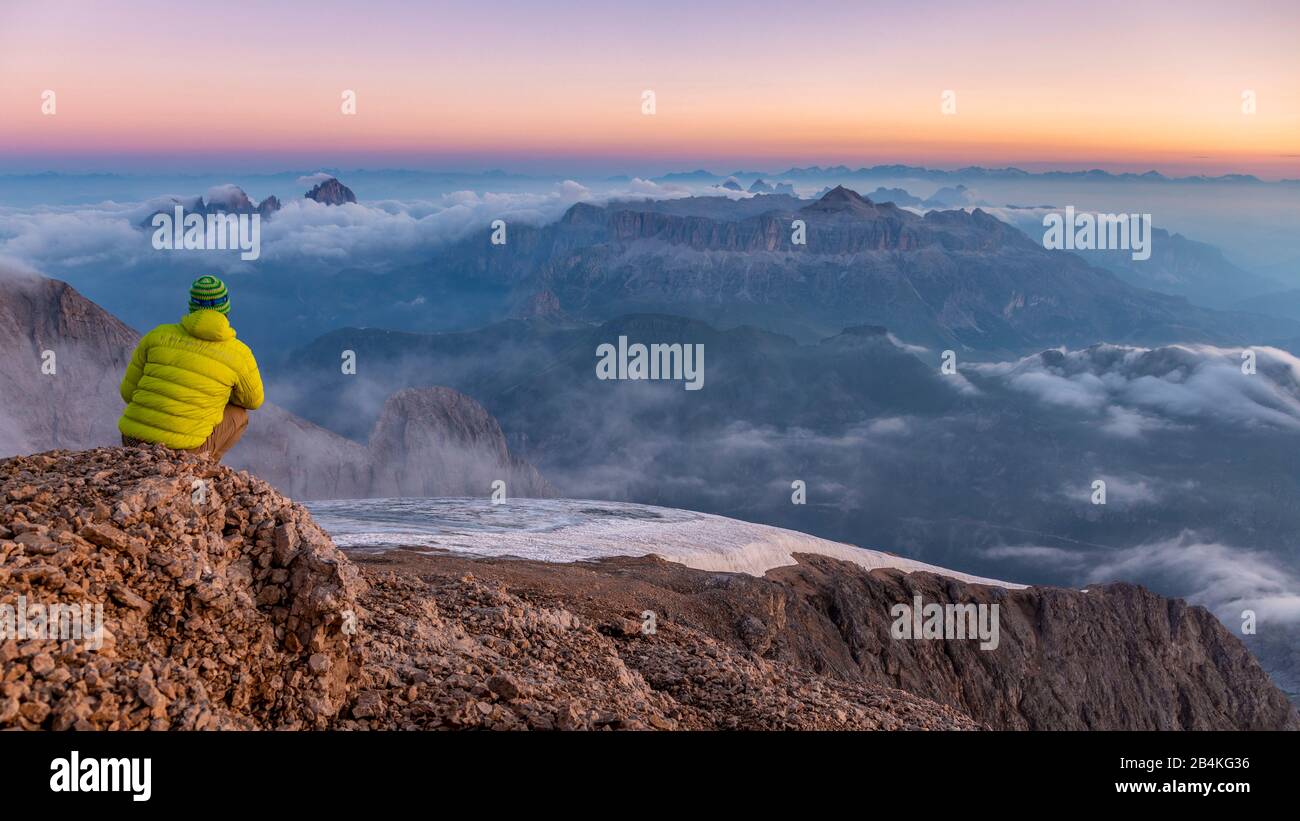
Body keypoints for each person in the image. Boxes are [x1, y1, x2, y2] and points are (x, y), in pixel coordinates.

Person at [118, 275, 264, 462]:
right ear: (225, 307)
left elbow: (128, 393)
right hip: (184, 451)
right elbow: (253, 401)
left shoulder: (156, 336)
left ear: (192, 305)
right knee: (238, 414)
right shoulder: (239, 353)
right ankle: (203, 466)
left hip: (133, 441)